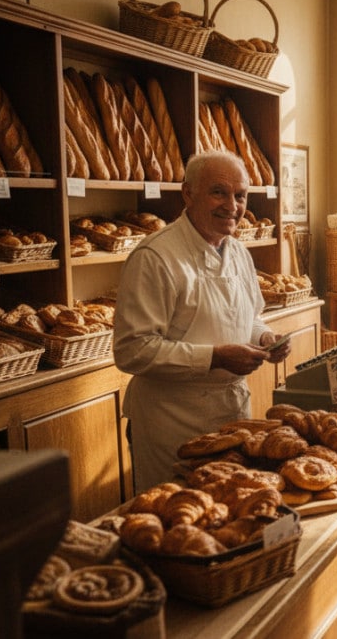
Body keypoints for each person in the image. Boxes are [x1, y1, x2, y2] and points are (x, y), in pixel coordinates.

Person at [113, 150, 291, 491]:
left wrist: (267, 338)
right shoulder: (156, 257)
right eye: (218, 192)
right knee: (177, 520)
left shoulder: (237, 251)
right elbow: (132, 350)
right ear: (188, 193)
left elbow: (249, 317)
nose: (232, 205)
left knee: (228, 511)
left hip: (233, 414)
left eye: (240, 195)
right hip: (172, 421)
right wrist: (216, 357)